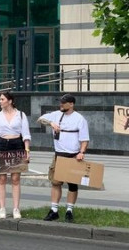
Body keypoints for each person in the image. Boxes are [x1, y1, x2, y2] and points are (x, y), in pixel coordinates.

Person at [38, 93, 90, 223]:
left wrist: (81, 152)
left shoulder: (79, 119)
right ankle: (54, 210)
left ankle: (69, 211)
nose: (61, 104)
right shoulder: (56, 115)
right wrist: (51, 123)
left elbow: (84, 139)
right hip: (59, 155)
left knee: (72, 185)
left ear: (71, 104)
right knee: (56, 183)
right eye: (60, 102)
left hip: (73, 156)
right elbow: (40, 119)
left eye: (63, 102)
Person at [0, 91, 31, 219]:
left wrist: (27, 151)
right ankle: (2, 208)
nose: (0, 101)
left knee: (15, 178)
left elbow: (26, 135)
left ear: (10, 101)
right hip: (2, 145)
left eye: (2, 99)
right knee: (1, 178)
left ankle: (16, 208)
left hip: (17, 144)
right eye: (0, 99)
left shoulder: (21, 115)